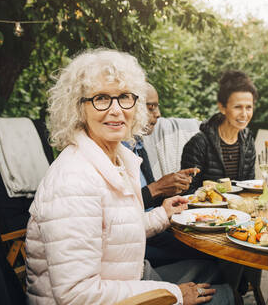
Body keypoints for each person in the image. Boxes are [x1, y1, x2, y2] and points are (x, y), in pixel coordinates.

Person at [25, 48, 234, 305]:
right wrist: (176, 295)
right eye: (101, 98)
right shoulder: (72, 181)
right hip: (106, 296)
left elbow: (114, 231)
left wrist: (163, 214)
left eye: (124, 97)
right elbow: (77, 296)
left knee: (218, 270)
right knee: (224, 296)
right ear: (78, 109)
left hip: (127, 279)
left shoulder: (116, 160)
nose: (116, 110)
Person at [123, 83, 212, 268]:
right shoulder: (115, 153)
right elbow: (122, 209)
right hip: (132, 241)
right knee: (208, 254)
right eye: (151, 107)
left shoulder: (137, 145)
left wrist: (171, 186)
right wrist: (157, 188)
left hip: (154, 227)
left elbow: (148, 199)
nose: (158, 114)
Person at [181, 70, 257, 193]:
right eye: (238, 107)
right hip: (206, 210)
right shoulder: (198, 144)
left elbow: (250, 186)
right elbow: (187, 191)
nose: (244, 114)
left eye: (249, 107)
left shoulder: (248, 141)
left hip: (239, 210)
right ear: (222, 107)